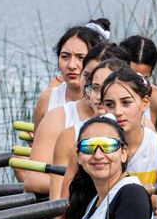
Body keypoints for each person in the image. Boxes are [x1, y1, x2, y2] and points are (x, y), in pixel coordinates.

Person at [56, 66, 157, 219]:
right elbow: (64, 213)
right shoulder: (87, 146)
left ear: (145, 103)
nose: (118, 112)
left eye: (126, 103)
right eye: (110, 104)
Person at [20, 41, 128, 195]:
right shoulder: (60, 121)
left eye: (105, 84)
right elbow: (33, 180)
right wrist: (94, 184)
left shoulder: (133, 123)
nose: (95, 90)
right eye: (88, 77)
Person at [28, 20, 111, 132]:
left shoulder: (109, 102)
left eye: (80, 57)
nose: (72, 65)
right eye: (65, 56)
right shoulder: (46, 99)